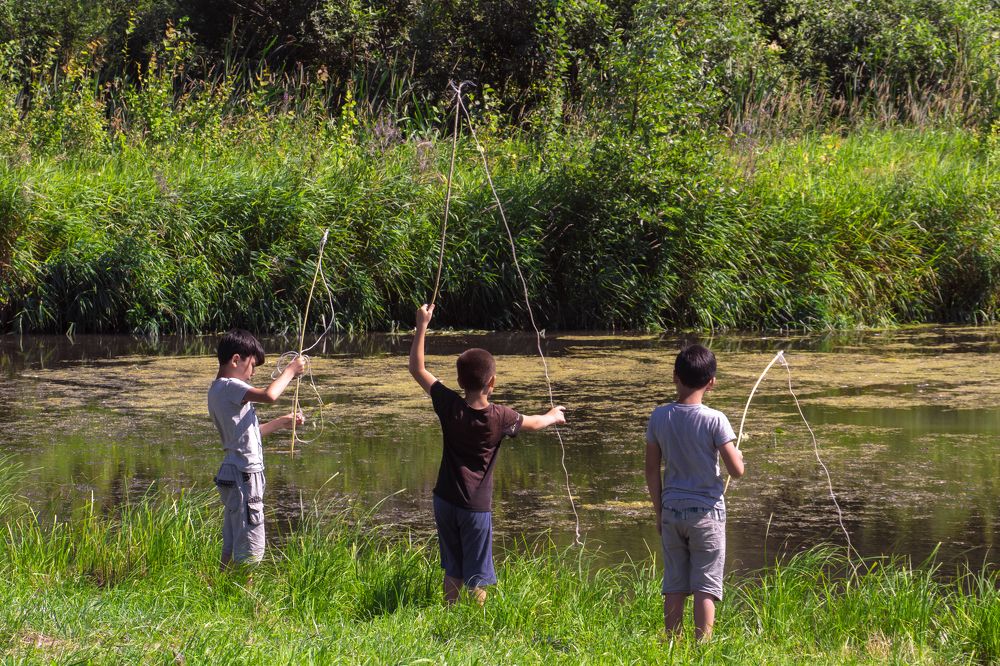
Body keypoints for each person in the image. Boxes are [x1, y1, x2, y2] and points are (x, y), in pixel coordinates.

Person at [408, 304, 566, 605]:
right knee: (478, 574)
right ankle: (477, 627)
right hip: (475, 508)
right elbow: (534, 423)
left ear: (459, 382)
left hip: (444, 499)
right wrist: (553, 415)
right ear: (492, 383)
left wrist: (422, 325)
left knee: (453, 568)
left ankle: (450, 616)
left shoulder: (449, 404)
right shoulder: (501, 417)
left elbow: (417, 369)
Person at [644, 343, 744, 641]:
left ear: (675, 376)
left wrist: (659, 511)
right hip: (706, 515)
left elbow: (651, 469)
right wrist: (738, 454)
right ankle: (703, 648)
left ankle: (673, 645)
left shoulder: (659, 416)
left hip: (671, 512)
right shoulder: (716, 419)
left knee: (674, 584)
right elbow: (736, 471)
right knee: (705, 585)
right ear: (711, 382)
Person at [209, 329, 306, 567]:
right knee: (249, 550)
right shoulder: (230, 386)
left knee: (233, 541)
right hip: (244, 475)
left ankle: (220, 593)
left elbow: (249, 435)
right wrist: (290, 371)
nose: (252, 374)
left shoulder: (217, 390)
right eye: (252, 365)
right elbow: (270, 395)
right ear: (235, 360)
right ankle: (246, 600)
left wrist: (283, 422)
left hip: (232, 471)